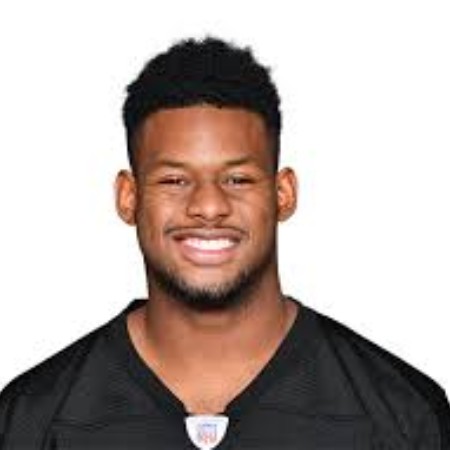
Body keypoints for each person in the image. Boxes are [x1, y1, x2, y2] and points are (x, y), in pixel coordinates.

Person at [0, 37, 449, 450]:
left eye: (237, 179)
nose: (209, 206)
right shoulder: (31, 419)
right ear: (128, 198)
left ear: (283, 194)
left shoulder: (402, 414)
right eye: (174, 180)